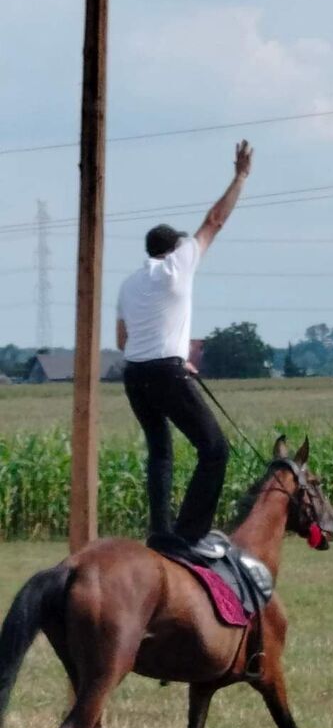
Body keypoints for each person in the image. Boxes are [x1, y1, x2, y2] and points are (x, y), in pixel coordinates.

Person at [116, 140, 253, 551]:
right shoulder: (180, 264)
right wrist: (240, 176)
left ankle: (160, 533)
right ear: (174, 248)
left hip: (134, 374)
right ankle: (190, 534)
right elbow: (215, 220)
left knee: (160, 453)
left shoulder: (128, 284)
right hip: (164, 372)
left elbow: (123, 340)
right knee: (214, 449)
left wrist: (170, 352)